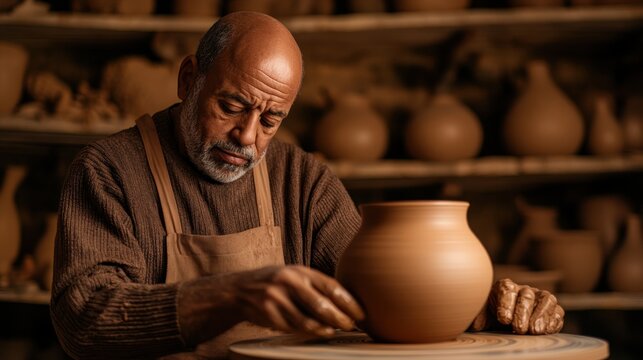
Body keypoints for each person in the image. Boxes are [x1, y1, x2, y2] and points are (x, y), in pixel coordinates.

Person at [50, 11, 564, 359]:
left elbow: (390, 289)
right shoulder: (109, 169)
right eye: (231, 107)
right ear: (189, 81)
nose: (247, 137)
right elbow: (84, 319)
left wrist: (491, 305)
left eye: (271, 119)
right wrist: (231, 294)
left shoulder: (303, 179)